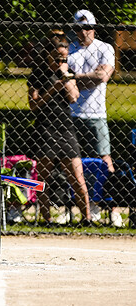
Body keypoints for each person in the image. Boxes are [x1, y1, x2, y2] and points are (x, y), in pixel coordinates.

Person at [27, 37, 91, 225]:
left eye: (64, 58)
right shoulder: (37, 74)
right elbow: (34, 105)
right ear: (48, 56)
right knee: (43, 177)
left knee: (77, 177)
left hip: (65, 128)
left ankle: (86, 218)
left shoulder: (67, 73)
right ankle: (46, 219)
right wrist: (53, 89)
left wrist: (65, 76)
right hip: (45, 128)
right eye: (57, 58)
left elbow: (74, 97)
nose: (61, 62)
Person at [68, 10, 122, 227]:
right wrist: (85, 79)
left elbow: (102, 77)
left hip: (96, 113)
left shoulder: (105, 48)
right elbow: (66, 82)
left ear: (94, 28)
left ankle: (113, 208)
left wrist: (73, 79)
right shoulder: (69, 49)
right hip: (71, 114)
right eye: (79, 28)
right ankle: (76, 208)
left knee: (105, 161)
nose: (84, 32)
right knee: (71, 163)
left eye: (88, 27)